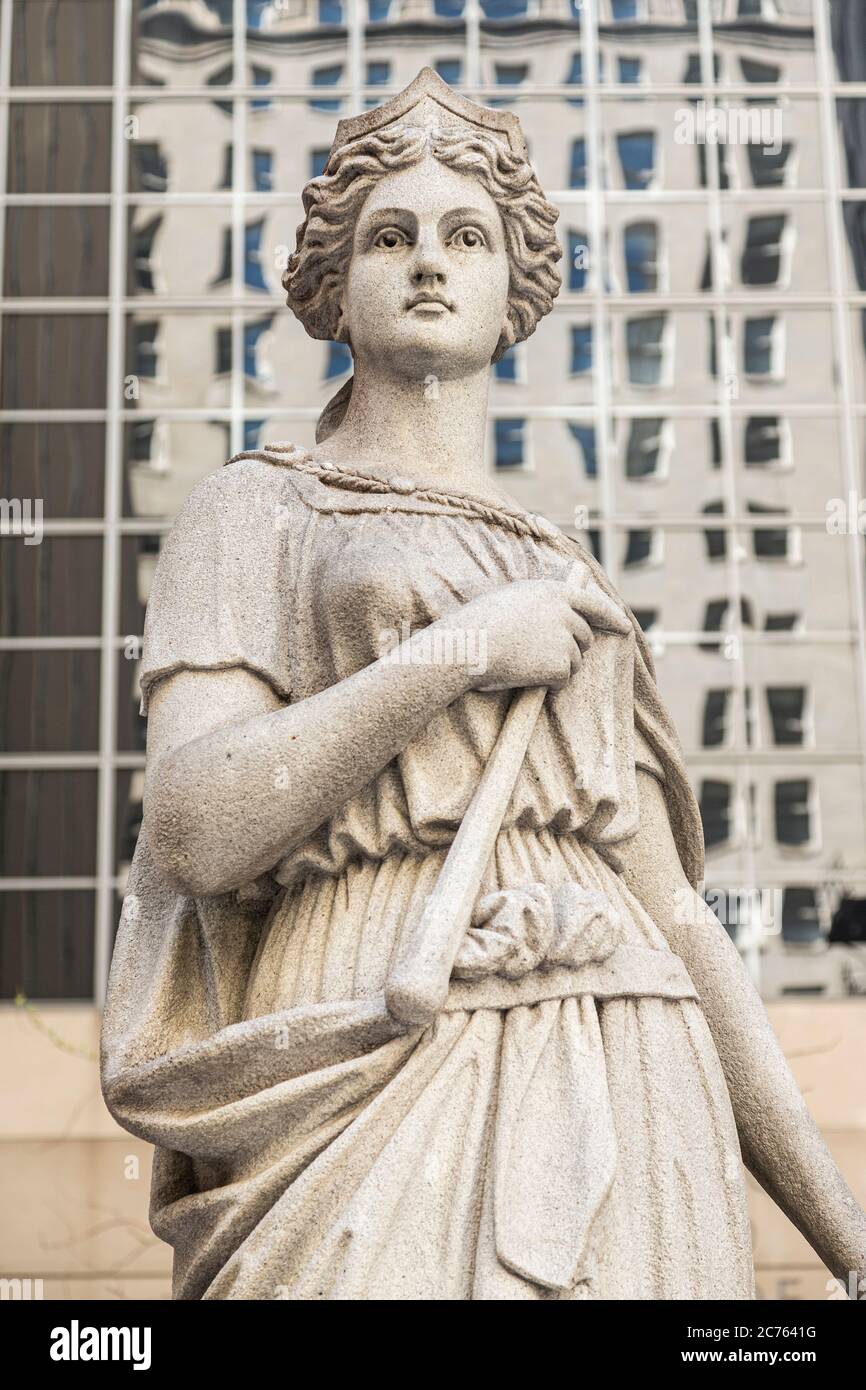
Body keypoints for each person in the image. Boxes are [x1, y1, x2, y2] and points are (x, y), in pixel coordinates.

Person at [102, 70, 866, 1301]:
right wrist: (458, 650)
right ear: (329, 289)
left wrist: (841, 1230)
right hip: (369, 1012)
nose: (426, 263)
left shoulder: (564, 569)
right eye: (388, 236)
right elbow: (197, 825)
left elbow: (674, 914)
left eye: (466, 236)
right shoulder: (255, 509)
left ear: (515, 289)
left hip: (629, 1045)